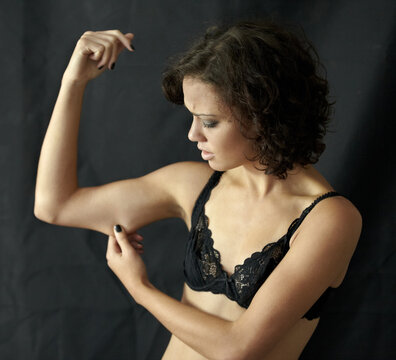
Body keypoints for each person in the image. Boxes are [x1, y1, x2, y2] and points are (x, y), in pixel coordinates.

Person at [34, 19, 362, 360]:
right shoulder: (194, 185)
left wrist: (139, 288)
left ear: (262, 115)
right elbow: (55, 205)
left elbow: (238, 348)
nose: (193, 135)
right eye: (192, 117)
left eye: (209, 122)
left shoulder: (329, 219)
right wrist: (73, 83)